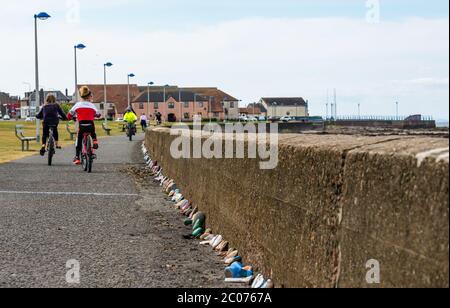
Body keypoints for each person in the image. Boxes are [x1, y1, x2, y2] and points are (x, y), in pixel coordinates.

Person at [67, 86, 101, 165]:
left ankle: (77, 157)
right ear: (89, 96)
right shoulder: (92, 105)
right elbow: (98, 114)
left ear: (81, 96)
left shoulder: (77, 105)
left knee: (79, 139)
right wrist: (95, 115)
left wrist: (71, 117)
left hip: (82, 125)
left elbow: (69, 114)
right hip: (90, 124)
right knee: (92, 130)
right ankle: (95, 140)